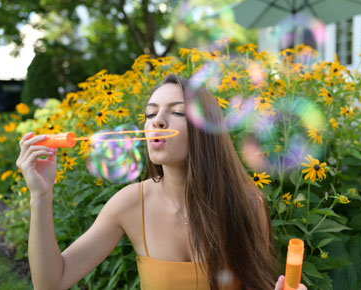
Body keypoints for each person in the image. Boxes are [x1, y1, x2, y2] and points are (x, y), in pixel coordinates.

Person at [17, 74, 306, 290]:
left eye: (177, 112)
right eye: (150, 113)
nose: (157, 121)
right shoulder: (130, 203)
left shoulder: (246, 204)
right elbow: (51, 283)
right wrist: (40, 196)